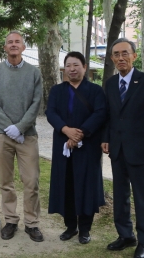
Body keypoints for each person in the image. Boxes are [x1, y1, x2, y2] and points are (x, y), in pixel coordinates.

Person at [102, 38, 144, 258]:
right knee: (120, 195)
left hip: (141, 150)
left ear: (134, 56)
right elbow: (108, 115)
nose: (120, 58)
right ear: (112, 58)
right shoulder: (109, 84)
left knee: (142, 196)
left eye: (125, 53)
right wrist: (105, 138)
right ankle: (125, 235)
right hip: (117, 150)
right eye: (116, 54)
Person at [0, 31, 43, 242]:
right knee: (6, 181)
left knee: (31, 181)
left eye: (17, 42)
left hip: (27, 136)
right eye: (9, 42)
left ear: (23, 47)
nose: (13, 45)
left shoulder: (34, 73)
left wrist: (19, 128)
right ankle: (10, 220)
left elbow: (36, 103)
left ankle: (32, 223)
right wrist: (8, 127)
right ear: (4, 47)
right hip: (1, 135)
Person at [46, 51, 107, 245]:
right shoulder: (57, 90)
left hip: (88, 145)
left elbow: (100, 113)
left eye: (76, 65)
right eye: (69, 65)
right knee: (67, 184)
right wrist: (66, 130)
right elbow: (51, 112)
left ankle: (85, 229)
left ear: (84, 67)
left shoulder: (96, 91)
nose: (72, 69)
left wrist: (80, 133)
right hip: (63, 145)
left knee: (87, 186)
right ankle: (71, 226)